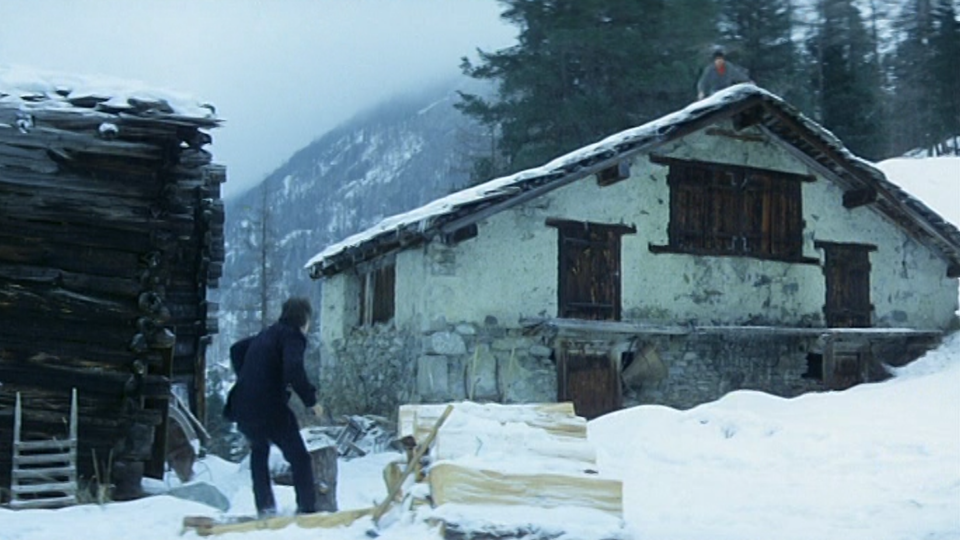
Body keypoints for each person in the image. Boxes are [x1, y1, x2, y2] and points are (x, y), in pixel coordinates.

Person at [224, 297, 323, 516]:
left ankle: (265, 508)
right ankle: (307, 510)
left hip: (243, 404)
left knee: (259, 452)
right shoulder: (292, 336)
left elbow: (236, 349)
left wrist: (249, 378)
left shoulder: (267, 334)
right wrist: (311, 401)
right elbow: (294, 369)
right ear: (305, 318)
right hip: (269, 407)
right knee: (300, 458)